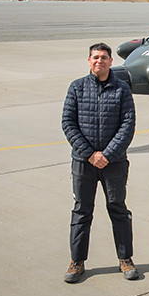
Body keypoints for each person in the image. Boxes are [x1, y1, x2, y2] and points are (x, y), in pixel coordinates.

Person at [62, 42, 137, 283]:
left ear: (111, 62)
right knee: (82, 211)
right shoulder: (77, 88)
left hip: (113, 163)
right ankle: (77, 261)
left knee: (118, 209)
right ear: (89, 60)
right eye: (95, 57)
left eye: (104, 57)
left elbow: (128, 125)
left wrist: (108, 154)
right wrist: (90, 154)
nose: (99, 61)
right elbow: (68, 124)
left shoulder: (122, 89)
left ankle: (125, 259)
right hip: (84, 162)